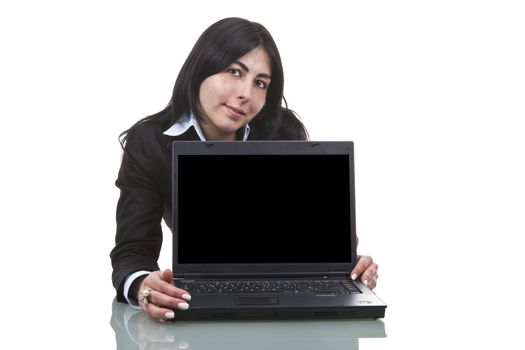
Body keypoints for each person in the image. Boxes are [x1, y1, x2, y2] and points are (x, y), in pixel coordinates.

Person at [110, 17, 379, 322]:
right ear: (201, 67)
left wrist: (344, 263)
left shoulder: (283, 130)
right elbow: (132, 250)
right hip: (203, 294)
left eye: (260, 83)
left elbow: (303, 233)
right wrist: (143, 285)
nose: (246, 94)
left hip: (283, 308)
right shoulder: (151, 142)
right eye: (234, 72)